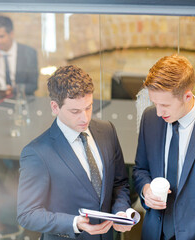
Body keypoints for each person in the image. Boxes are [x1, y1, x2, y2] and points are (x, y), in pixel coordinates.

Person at [17, 65, 132, 240]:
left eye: (89, 107)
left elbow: (119, 183)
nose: (85, 118)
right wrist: (74, 223)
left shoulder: (107, 130)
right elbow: (27, 214)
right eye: (75, 111)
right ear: (55, 107)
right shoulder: (36, 153)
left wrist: (121, 210)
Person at [133, 54, 195, 240]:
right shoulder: (150, 118)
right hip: (154, 233)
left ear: (188, 96)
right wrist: (146, 190)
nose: (159, 112)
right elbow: (140, 169)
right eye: (155, 103)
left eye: (165, 105)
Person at [0, 16, 38, 96]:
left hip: (19, 98)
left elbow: (33, 85)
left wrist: (13, 90)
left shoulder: (29, 53)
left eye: (1, 36)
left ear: (11, 34)